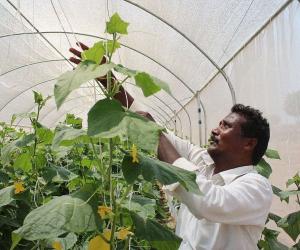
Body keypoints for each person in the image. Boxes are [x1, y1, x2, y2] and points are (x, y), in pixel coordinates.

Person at [70, 44, 273, 250]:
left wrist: (155, 134)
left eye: (226, 126)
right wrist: (109, 79)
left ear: (249, 143)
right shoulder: (203, 162)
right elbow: (157, 128)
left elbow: (208, 201)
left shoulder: (257, 187)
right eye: (219, 123)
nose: (215, 130)